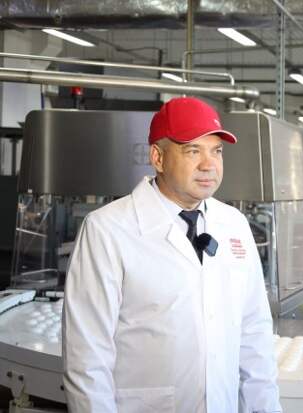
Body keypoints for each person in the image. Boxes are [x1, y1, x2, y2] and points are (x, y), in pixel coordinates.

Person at [63, 97, 282, 413]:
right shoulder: (108, 229)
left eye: (216, 151)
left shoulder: (233, 224)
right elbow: (87, 358)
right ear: (158, 157)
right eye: (193, 151)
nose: (209, 164)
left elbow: (254, 335)